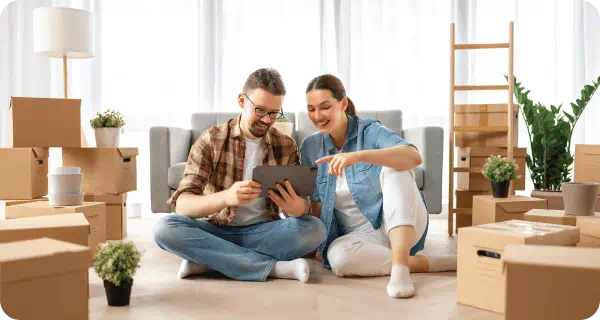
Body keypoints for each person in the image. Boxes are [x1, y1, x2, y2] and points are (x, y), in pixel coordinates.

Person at [153, 68, 326, 282]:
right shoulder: (212, 140)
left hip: (263, 232)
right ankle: (275, 269)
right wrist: (227, 197)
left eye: (274, 113)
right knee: (164, 228)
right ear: (242, 101)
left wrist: (295, 208)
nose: (266, 120)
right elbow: (183, 205)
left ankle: (209, 261)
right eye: (260, 110)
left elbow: (303, 207)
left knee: (315, 228)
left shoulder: (286, 145)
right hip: (216, 230)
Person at [297, 74, 456, 298]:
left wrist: (359, 156)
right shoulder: (310, 147)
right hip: (358, 237)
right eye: (311, 109)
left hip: (398, 221)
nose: (317, 116)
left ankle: (400, 268)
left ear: (343, 104)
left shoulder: (368, 130)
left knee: (395, 168)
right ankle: (424, 263)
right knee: (339, 261)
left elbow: (413, 156)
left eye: (324, 107)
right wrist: (315, 245)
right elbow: (316, 202)